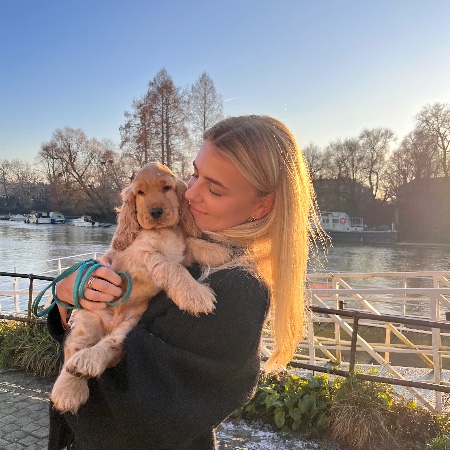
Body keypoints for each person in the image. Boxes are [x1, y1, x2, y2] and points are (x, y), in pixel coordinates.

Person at [47, 114, 324, 450]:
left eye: (214, 189)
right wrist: (69, 293)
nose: (189, 193)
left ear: (262, 204)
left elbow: (122, 416)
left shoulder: (237, 289)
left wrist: (88, 326)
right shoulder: (190, 243)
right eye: (194, 174)